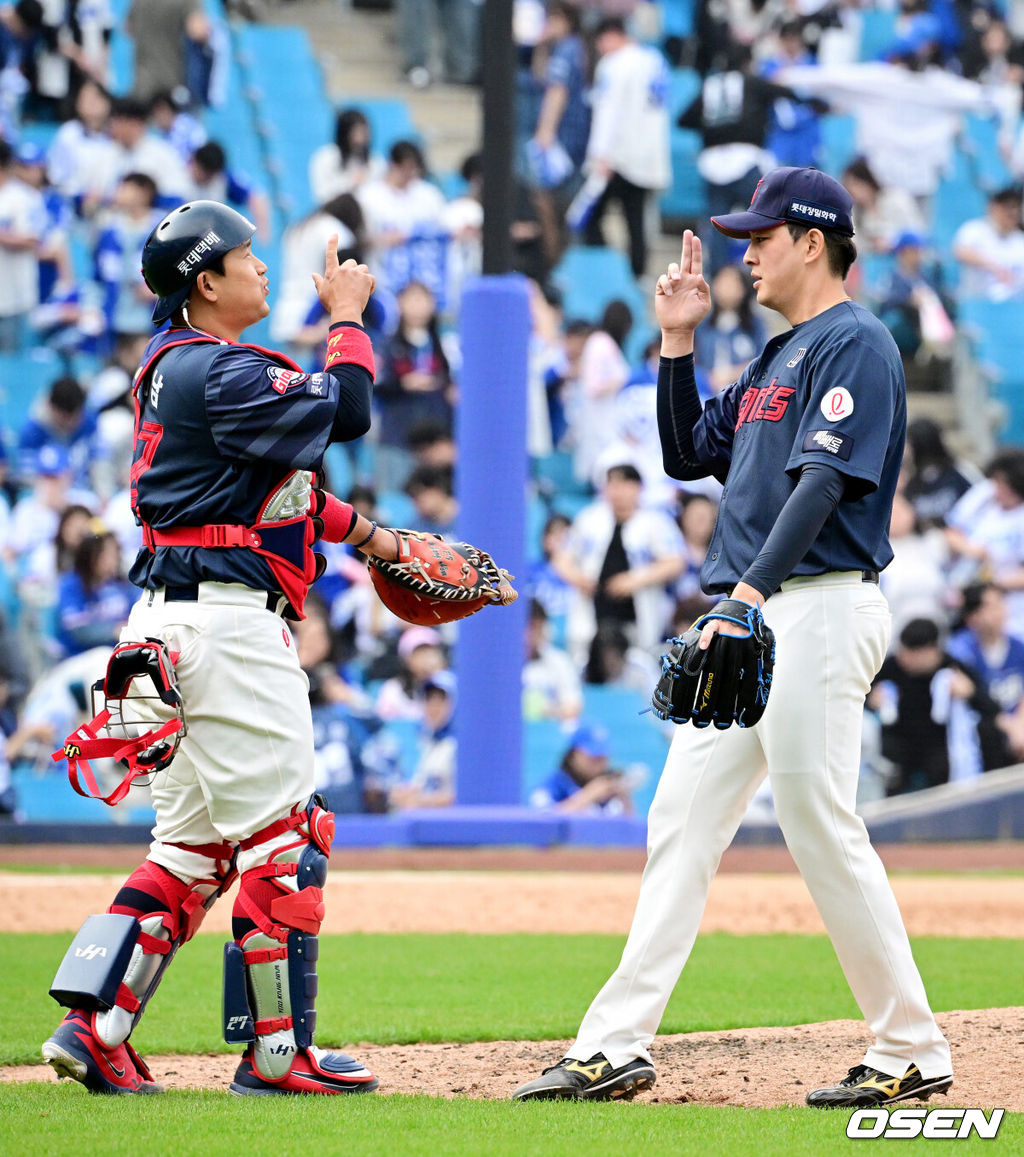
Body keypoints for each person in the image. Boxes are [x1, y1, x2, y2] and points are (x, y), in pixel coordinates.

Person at [513, 167, 953, 1108]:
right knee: (679, 822)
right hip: (752, 612)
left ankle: (912, 1046)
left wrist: (743, 595)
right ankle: (616, 1044)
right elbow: (685, 454)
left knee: (819, 823)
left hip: (817, 602)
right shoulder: (772, 357)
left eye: (760, 235)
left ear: (811, 240)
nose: (743, 251)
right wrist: (677, 341)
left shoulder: (855, 344)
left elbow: (824, 486)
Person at [40, 199, 401, 1097]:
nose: (262, 267)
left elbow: (277, 501)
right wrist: (347, 318)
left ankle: (96, 1025)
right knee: (287, 838)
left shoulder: (170, 369)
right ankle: (279, 1055)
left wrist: (377, 540)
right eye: (246, 257)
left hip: (162, 625)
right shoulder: (223, 370)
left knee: (190, 850)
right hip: (229, 629)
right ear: (207, 281)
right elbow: (349, 409)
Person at [582, 17, 670, 279]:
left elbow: (607, 111)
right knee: (636, 222)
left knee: (590, 218)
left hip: (618, 157)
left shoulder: (614, 63)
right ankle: (636, 277)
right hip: (650, 156)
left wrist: (600, 154)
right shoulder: (656, 61)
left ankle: (609, 273)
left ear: (610, 35)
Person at [529, 721, 633, 815]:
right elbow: (542, 822)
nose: (599, 762)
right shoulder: (552, 785)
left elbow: (629, 829)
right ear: (574, 754)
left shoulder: (610, 789)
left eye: (603, 757)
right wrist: (589, 795)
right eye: (593, 756)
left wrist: (624, 798)